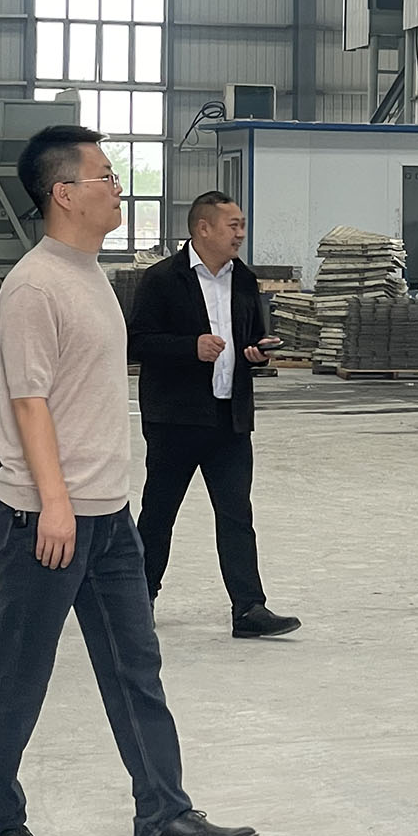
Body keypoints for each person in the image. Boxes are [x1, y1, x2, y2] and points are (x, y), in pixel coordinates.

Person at [0, 126, 257, 836]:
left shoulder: (89, 273)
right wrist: (55, 503)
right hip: (46, 516)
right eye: (104, 175)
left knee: (135, 666)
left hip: (106, 514)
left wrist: (93, 503)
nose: (117, 186)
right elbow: (28, 401)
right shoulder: (34, 286)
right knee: (20, 674)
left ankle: (163, 814)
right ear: (64, 193)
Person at [128, 192, 298, 639]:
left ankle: (249, 609)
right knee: (159, 514)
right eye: (232, 225)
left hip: (230, 419)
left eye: (242, 225)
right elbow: (138, 342)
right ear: (203, 228)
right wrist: (191, 347)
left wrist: (257, 352)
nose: (240, 233)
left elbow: (252, 336)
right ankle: (138, 601)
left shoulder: (244, 279)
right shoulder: (162, 279)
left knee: (237, 515)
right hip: (175, 420)